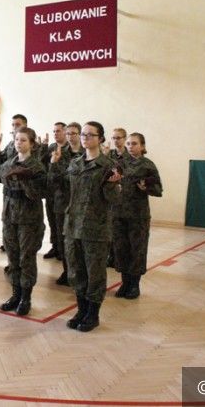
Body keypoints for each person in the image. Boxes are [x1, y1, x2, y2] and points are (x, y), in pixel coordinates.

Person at [50, 121, 122, 332]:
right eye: (83, 134)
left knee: (95, 273)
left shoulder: (108, 166)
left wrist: (112, 185)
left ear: (100, 139)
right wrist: (54, 165)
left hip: (96, 228)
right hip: (73, 226)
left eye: (90, 135)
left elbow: (115, 200)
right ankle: (81, 309)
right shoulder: (75, 163)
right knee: (75, 271)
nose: (85, 138)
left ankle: (93, 313)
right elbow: (58, 186)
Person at [0, 127, 46, 315]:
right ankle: (15, 294)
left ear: (32, 144)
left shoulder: (36, 167)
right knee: (12, 257)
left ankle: (26, 297)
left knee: (26, 258)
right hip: (10, 217)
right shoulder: (8, 163)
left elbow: (39, 193)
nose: (19, 143)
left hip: (29, 219)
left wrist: (24, 179)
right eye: (17, 139)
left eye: (23, 140)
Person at [112, 132, 162, 300]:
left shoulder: (148, 165)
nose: (130, 147)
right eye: (128, 144)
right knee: (121, 250)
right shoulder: (119, 164)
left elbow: (158, 190)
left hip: (138, 216)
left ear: (142, 146)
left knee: (137, 250)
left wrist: (146, 188)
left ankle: (134, 285)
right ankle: (124, 283)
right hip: (118, 214)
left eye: (134, 144)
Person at [46, 121, 84, 285]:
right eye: (68, 134)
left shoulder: (86, 153)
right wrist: (54, 164)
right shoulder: (60, 153)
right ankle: (67, 271)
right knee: (63, 241)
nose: (70, 137)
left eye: (74, 133)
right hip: (62, 203)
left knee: (79, 241)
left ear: (80, 135)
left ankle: (79, 273)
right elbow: (53, 180)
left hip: (81, 205)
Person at [41, 122, 68, 260]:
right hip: (51, 192)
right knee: (52, 221)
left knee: (62, 224)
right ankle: (55, 246)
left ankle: (63, 250)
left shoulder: (69, 148)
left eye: (58, 131)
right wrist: (43, 148)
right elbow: (41, 163)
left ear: (65, 132)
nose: (55, 133)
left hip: (63, 193)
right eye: (54, 131)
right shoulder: (51, 147)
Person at [106, 127, 128, 268]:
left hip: (125, 199)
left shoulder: (129, 155)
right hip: (111, 197)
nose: (116, 140)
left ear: (124, 139)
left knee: (122, 232)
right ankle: (111, 257)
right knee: (111, 229)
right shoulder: (109, 155)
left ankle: (121, 258)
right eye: (113, 138)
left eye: (118, 138)